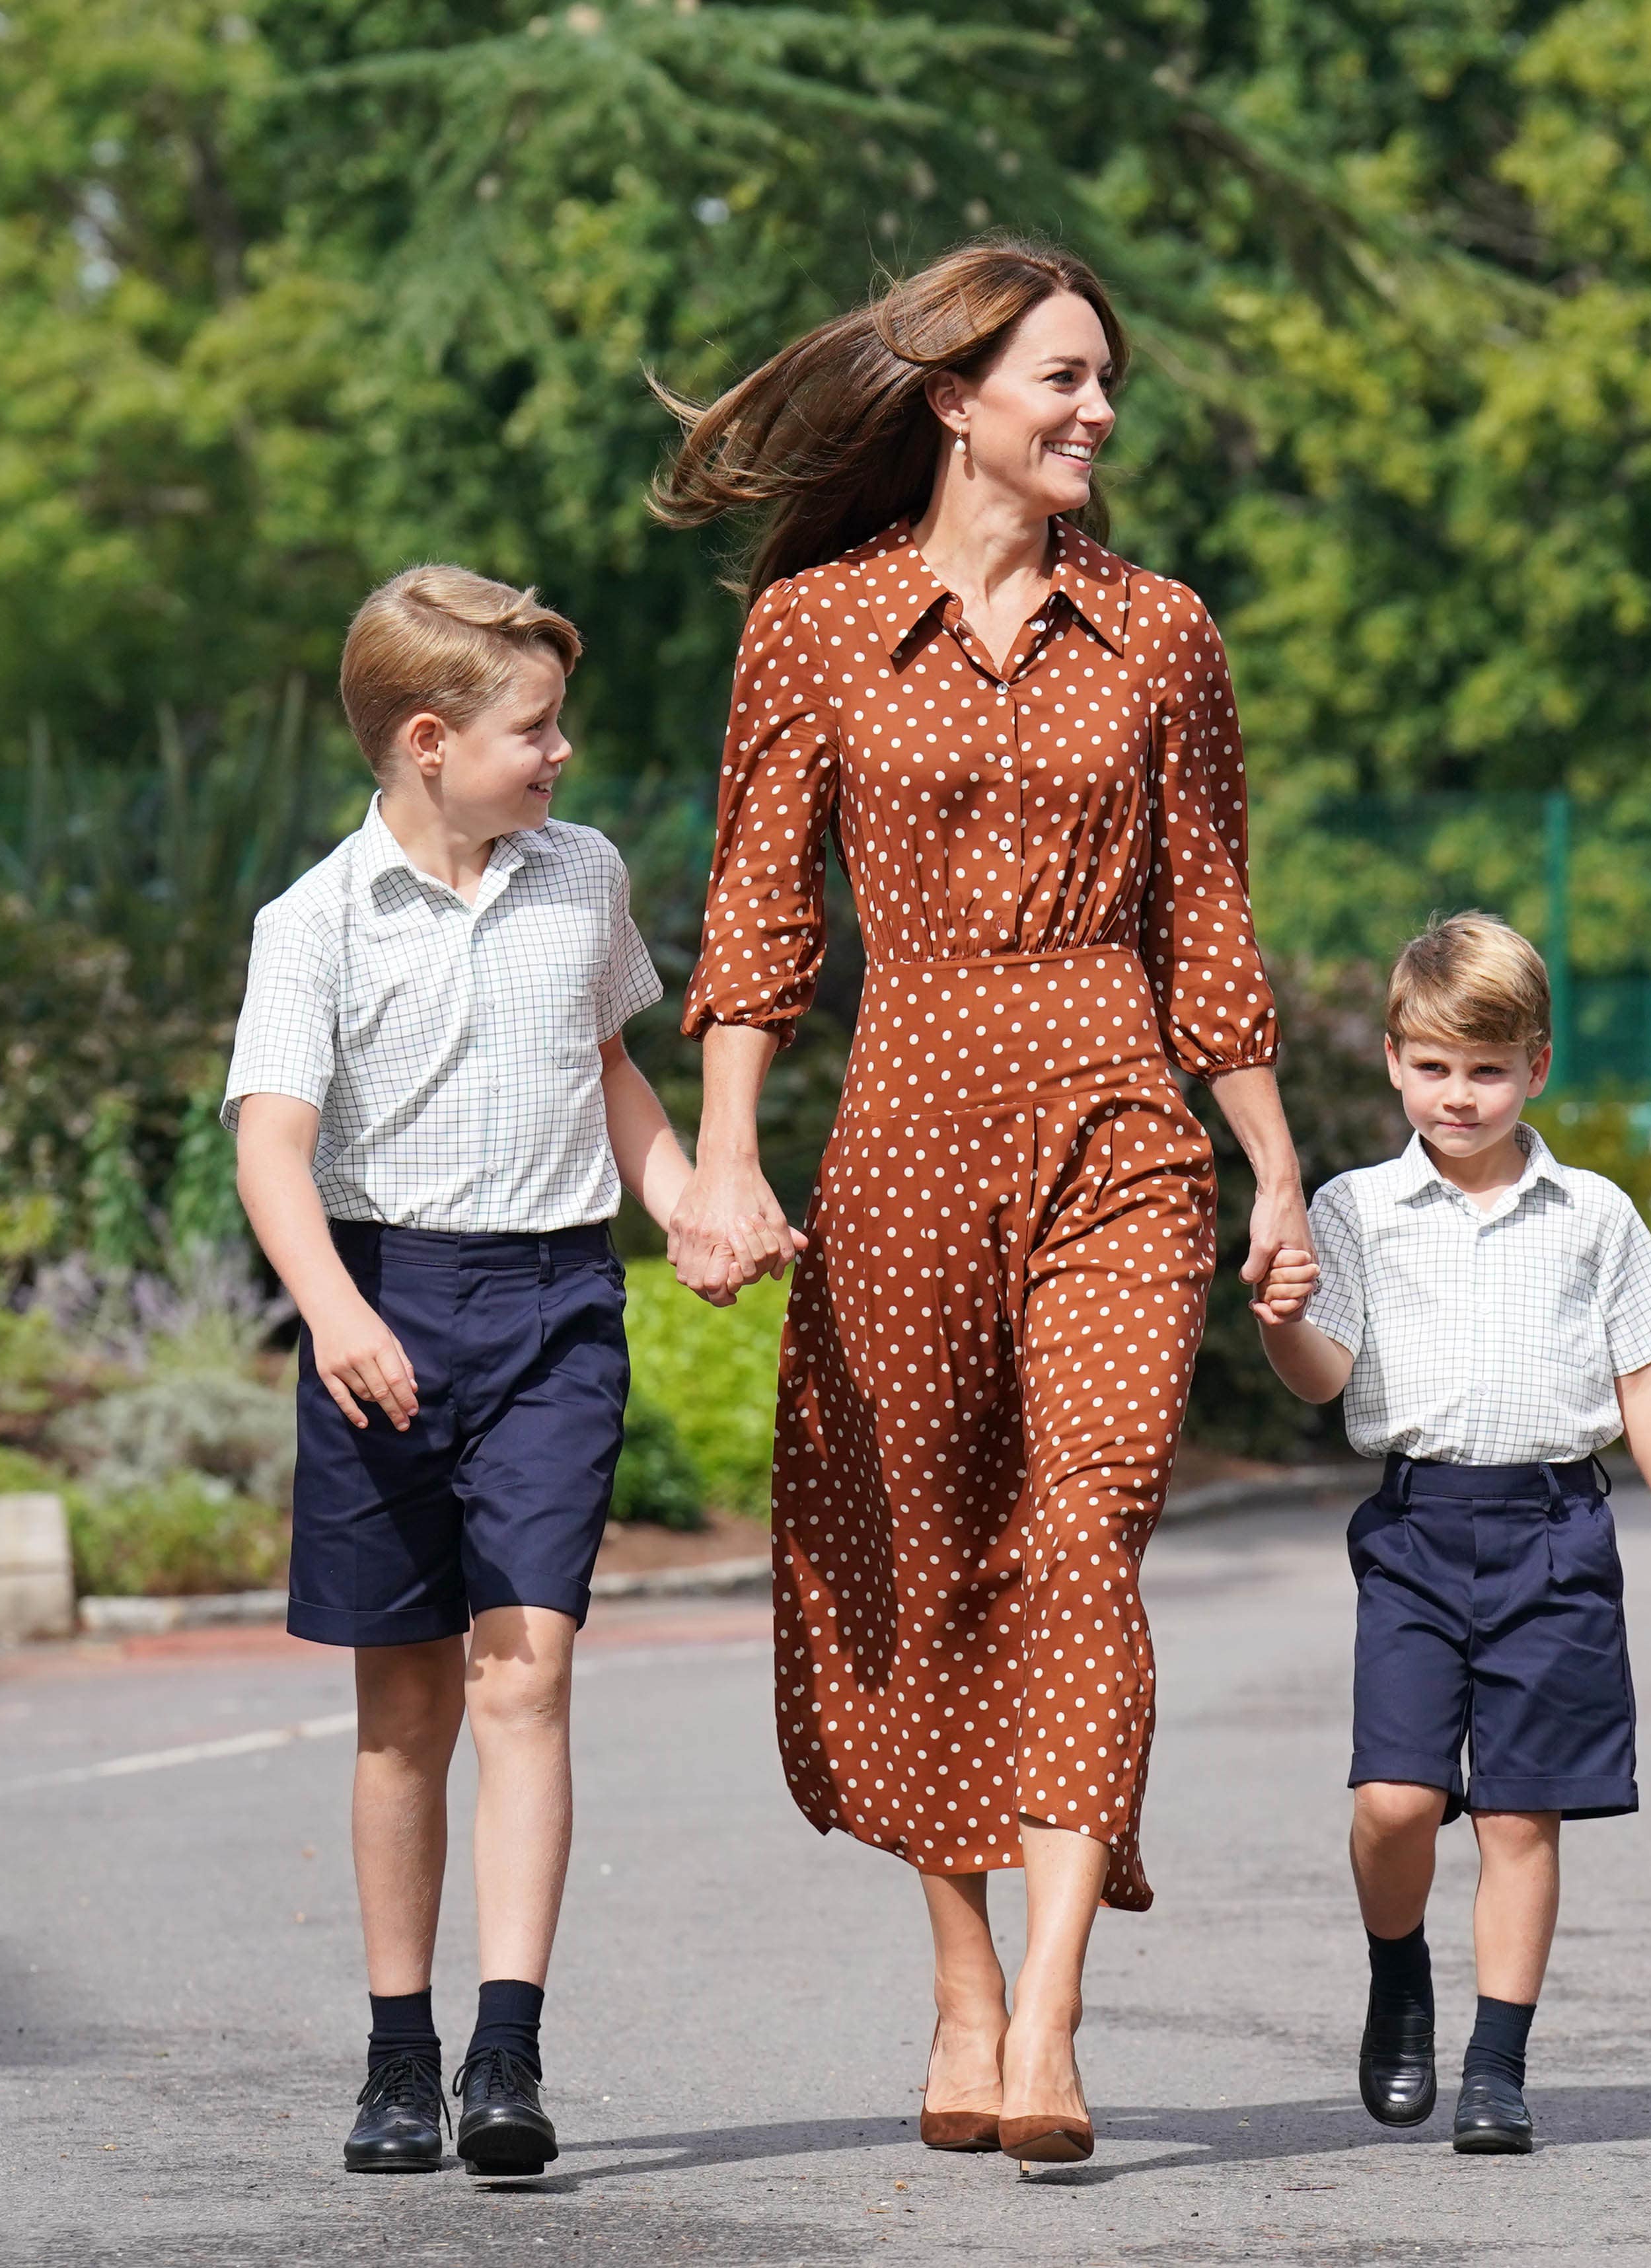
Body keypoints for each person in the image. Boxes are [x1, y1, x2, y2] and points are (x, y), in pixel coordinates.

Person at [650, 238, 1313, 2168]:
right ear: (955, 400)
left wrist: (1274, 1167)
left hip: (1121, 1123)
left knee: (1084, 1537)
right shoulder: (816, 633)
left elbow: (1209, 920)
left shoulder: (1165, 628)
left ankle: (1046, 2020)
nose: (1096, 412)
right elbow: (758, 924)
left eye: (1104, 382)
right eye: (1060, 381)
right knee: (919, 1550)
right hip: (907, 1127)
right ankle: (956, 1985)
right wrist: (720, 1155)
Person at [227, 566, 690, 2176]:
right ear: (431, 741)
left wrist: (687, 1198)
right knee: (406, 1703)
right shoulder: (316, 923)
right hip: (381, 1308)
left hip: (558, 1306)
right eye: (534, 730)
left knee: (530, 1668)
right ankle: (396, 2056)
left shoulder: (585, 877)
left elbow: (614, 1067)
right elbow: (272, 1151)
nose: (560, 757)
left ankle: (506, 2051)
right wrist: (335, 1312)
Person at [1251, 913, 1651, 2154]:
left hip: (1558, 1531)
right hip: (1417, 1532)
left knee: (1523, 1814)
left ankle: (1497, 2067)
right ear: (1393, 1063)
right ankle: (1397, 1969)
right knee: (1396, 1802)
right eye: (1431, 1067)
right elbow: (1321, 1378)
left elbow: (1646, 1380)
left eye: (1486, 1070)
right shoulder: (1354, 1211)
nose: (1457, 1096)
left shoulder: (1595, 1213)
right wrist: (1277, 1318)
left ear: (1537, 1069)